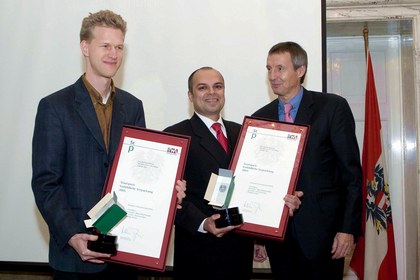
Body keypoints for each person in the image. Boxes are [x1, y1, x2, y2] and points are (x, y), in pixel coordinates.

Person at [31, 10, 186, 279]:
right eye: (105, 46)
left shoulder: (133, 106)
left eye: (119, 47)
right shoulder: (54, 107)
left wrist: (168, 188)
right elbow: (46, 183)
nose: (113, 54)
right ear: (85, 47)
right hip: (75, 257)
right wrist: (71, 235)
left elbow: (139, 171)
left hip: (124, 253)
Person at [164, 67, 303, 280]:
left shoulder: (245, 132)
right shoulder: (176, 135)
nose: (212, 92)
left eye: (218, 86)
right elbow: (169, 199)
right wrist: (204, 224)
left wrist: (280, 206)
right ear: (190, 95)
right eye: (203, 87)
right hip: (198, 254)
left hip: (240, 252)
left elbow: (258, 183)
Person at [252, 41, 363, 280]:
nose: (273, 76)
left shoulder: (332, 107)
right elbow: (260, 176)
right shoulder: (260, 118)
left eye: (280, 68)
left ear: (300, 71)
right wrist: (259, 234)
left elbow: (351, 175)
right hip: (278, 237)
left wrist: (347, 229)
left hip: (324, 235)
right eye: (269, 69)